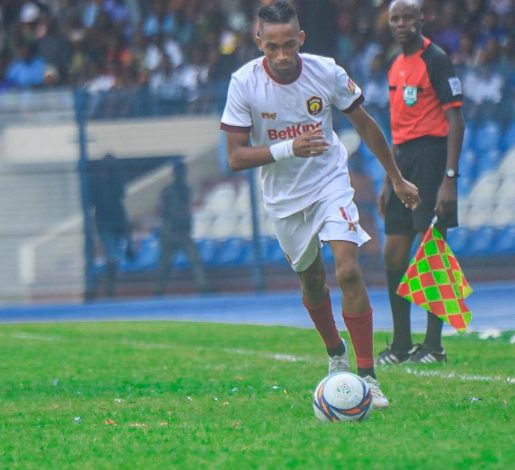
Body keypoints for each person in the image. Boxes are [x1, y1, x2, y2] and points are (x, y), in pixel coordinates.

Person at [219, 0, 420, 409]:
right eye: (272, 47)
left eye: (289, 45)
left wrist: (397, 178)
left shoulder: (326, 71)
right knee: (311, 281)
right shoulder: (243, 83)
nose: (282, 55)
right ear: (259, 42)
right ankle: (335, 352)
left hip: (330, 184)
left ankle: (368, 378)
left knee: (348, 270)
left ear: (301, 39)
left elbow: (365, 124)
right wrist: (289, 148)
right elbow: (235, 157)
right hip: (284, 199)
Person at [376, 0, 466, 365]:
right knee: (393, 254)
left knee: (431, 253)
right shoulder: (395, 64)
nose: (401, 24)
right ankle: (401, 346)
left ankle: (434, 347)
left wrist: (449, 179)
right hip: (403, 161)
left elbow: (456, 120)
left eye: (407, 17)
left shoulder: (436, 59)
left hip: (432, 157)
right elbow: (397, 130)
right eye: (395, 18)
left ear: (420, 19)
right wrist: (390, 180)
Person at [155, 159, 210, 295]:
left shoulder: (186, 190)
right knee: (165, 264)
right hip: (170, 231)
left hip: (184, 231)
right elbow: (162, 211)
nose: (181, 174)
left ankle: (203, 286)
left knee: (195, 259)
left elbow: (187, 208)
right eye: (179, 171)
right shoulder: (168, 191)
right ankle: (159, 289)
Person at [89, 153, 132, 298]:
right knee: (112, 256)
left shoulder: (116, 180)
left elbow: (121, 197)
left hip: (117, 221)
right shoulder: (96, 181)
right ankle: (109, 289)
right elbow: (92, 201)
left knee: (115, 257)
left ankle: (110, 287)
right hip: (105, 223)